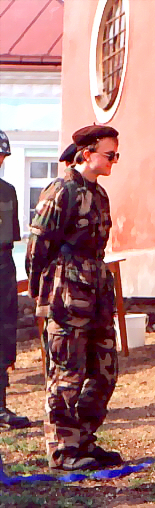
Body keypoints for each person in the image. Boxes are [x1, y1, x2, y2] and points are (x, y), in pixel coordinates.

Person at [26, 125, 123, 471]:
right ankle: (63, 450)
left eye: (116, 155)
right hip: (66, 295)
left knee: (105, 369)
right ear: (87, 154)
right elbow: (38, 246)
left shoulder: (100, 195)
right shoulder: (61, 191)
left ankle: (84, 439)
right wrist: (41, 292)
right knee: (67, 372)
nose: (114, 160)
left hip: (96, 293)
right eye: (109, 155)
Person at [0, 130, 31, 429]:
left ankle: (0, 406)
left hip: (3, 264)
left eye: (2, 157)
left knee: (5, 331)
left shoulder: (8, 191)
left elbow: (12, 236)